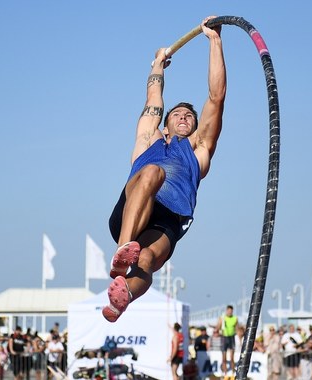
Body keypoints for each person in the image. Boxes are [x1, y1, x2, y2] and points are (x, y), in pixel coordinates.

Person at [103, 15, 227, 322]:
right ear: (166, 121)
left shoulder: (199, 150)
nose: (184, 116)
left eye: (189, 116)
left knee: (146, 259)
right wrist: (157, 64)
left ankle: (123, 296)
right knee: (153, 173)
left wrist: (214, 41)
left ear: (196, 126)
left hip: (170, 219)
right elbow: (154, 97)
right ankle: (122, 252)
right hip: (134, 207)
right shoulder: (148, 139)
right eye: (178, 114)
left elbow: (216, 97)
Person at [216, 305, 238, 375]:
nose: (230, 312)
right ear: (226, 311)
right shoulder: (222, 318)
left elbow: (237, 328)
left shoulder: (235, 318)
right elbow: (218, 328)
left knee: (232, 357)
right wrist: (220, 322)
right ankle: (225, 373)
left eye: (231, 311)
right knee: (224, 358)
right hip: (224, 337)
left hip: (231, 337)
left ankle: (233, 373)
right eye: (228, 311)